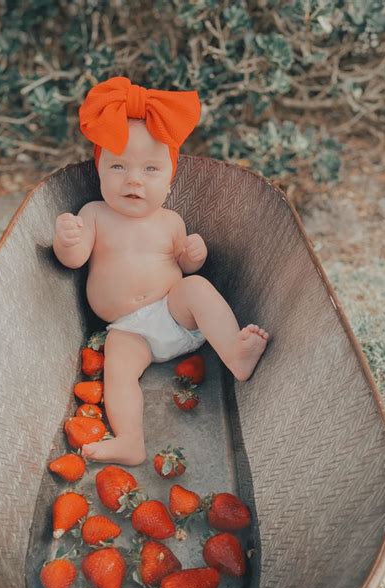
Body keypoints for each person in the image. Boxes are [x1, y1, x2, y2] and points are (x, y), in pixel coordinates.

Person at [53, 77, 269, 466]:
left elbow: (183, 268)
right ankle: (130, 439)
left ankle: (235, 353)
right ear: (99, 171)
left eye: (150, 169)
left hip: (174, 314)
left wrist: (193, 256)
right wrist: (67, 241)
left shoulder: (170, 221)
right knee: (117, 368)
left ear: (169, 183)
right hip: (128, 329)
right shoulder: (94, 214)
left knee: (197, 287)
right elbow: (74, 260)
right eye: (118, 165)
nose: (133, 179)